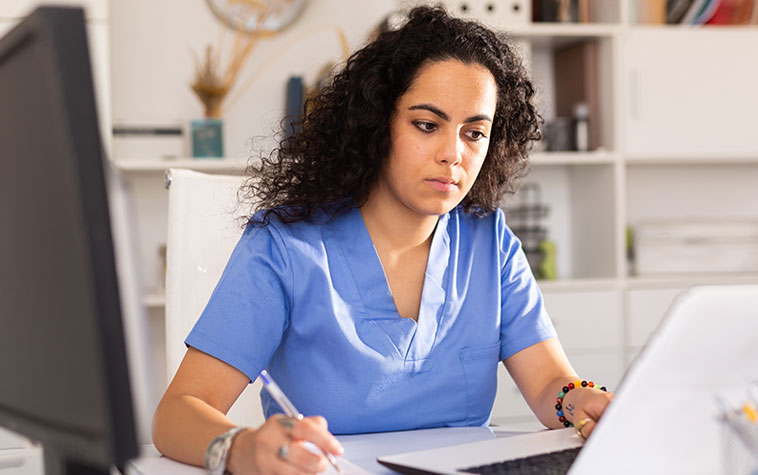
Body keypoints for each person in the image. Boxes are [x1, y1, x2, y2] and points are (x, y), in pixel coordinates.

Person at [152, 5, 613, 474]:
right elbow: (177, 413)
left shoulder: (489, 242)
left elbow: (550, 383)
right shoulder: (286, 247)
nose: (453, 154)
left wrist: (576, 400)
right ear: (377, 124)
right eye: (427, 125)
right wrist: (241, 449)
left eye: (474, 133)